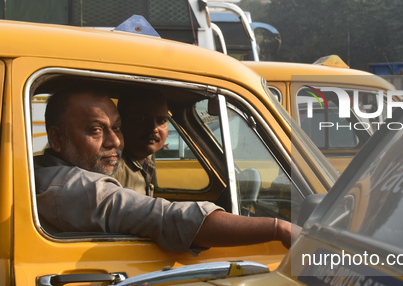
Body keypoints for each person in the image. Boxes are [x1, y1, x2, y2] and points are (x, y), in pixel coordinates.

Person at [35, 86, 295, 253]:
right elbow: (167, 217)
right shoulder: (76, 188)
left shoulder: (49, 172)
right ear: (57, 139)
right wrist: (277, 229)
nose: (115, 141)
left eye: (116, 128)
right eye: (95, 130)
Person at [112, 89, 168, 196]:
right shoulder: (112, 170)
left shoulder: (148, 159)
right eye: (141, 119)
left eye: (161, 120)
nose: (154, 128)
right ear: (121, 123)